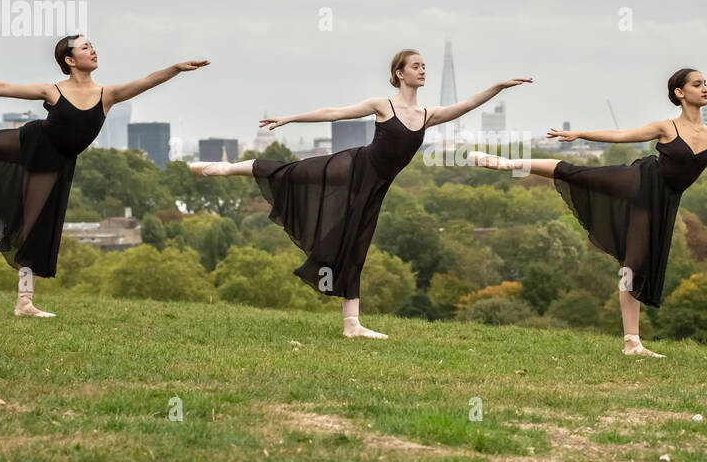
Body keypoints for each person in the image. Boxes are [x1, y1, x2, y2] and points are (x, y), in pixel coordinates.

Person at [472, 68, 707, 357]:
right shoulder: (667, 127)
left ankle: (631, 343)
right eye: (697, 84)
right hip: (638, 181)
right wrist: (579, 133)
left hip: (661, 204)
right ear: (680, 93)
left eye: (705, 83)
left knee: (633, 267)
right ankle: (507, 163)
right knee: (578, 173)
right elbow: (622, 135)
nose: (705, 88)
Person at [190, 49, 531, 338]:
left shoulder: (428, 116)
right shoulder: (383, 105)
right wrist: (291, 118)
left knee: (355, 246)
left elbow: (469, 104)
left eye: (424, 66)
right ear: (399, 74)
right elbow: (334, 113)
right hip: (354, 169)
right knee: (294, 174)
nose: (423, 70)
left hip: (375, 188)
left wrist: (498, 86)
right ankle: (220, 168)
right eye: (416, 66)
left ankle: (351, 324)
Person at [0, 35, 210, 317]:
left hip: (57, 165)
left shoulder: (108, 95)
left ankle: (24, 303)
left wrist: (175, 69)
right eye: (85, 47)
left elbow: (146, 82)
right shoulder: (53, 91)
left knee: (37, 227)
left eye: (92, 45)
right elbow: (4, 87)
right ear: (70, 60)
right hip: (33, 142)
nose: (93, 50)